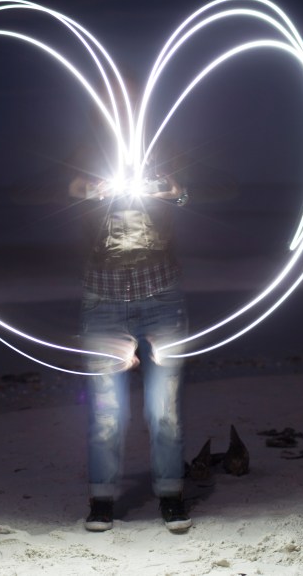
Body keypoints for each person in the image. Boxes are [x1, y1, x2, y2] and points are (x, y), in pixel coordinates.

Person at [68, 154, 194, 533]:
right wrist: (85, 189)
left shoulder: (166, 153)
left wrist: (178, 191)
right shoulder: (87, 153)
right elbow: (40, 192)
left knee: (164, 411)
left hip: (162, 297)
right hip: (103, 301)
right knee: (107, 412)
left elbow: (214, 189)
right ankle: (101, 500)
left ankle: (171, 494)